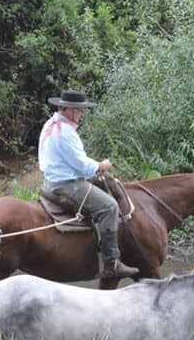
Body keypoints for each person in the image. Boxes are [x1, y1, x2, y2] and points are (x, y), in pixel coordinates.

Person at [38, 89, 139, 279]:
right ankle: (112, 263)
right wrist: (102, 165)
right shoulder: (65, 132)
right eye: (79, 109)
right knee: (109, 206)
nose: (82, 113)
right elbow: (83, 165)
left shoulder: (51, 124)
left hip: (53, 179)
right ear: (67, 109)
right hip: (66, 183)